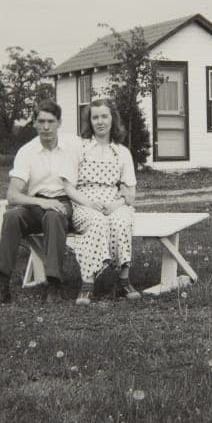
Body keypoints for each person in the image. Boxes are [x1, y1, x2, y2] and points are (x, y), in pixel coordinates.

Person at [0, 99, 82, 306]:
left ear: (59, 122)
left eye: (51, 121)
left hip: (65, 203)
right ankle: (2, 287)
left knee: (54, 216)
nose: (46, 127)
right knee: (11, 216)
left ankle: (54, 284)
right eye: (41, 121)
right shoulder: (26, 151)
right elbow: (13, 196)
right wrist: (41, 202)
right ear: (34, 123)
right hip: (36, 203)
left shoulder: (74, 144)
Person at [61, 98, 140, 307]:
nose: (100, 121)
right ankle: (87, 284)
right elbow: (68, 186)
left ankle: (124, 281)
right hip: (84, 203)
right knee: (96, 222)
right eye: (95, 117)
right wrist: (88, 203)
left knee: (122, 222)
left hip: (115, 203)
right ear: (90, 121)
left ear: (113, 119)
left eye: (104, 116)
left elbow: (131, 192)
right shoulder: (80, 148)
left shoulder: (122, 152)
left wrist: (116, 205)